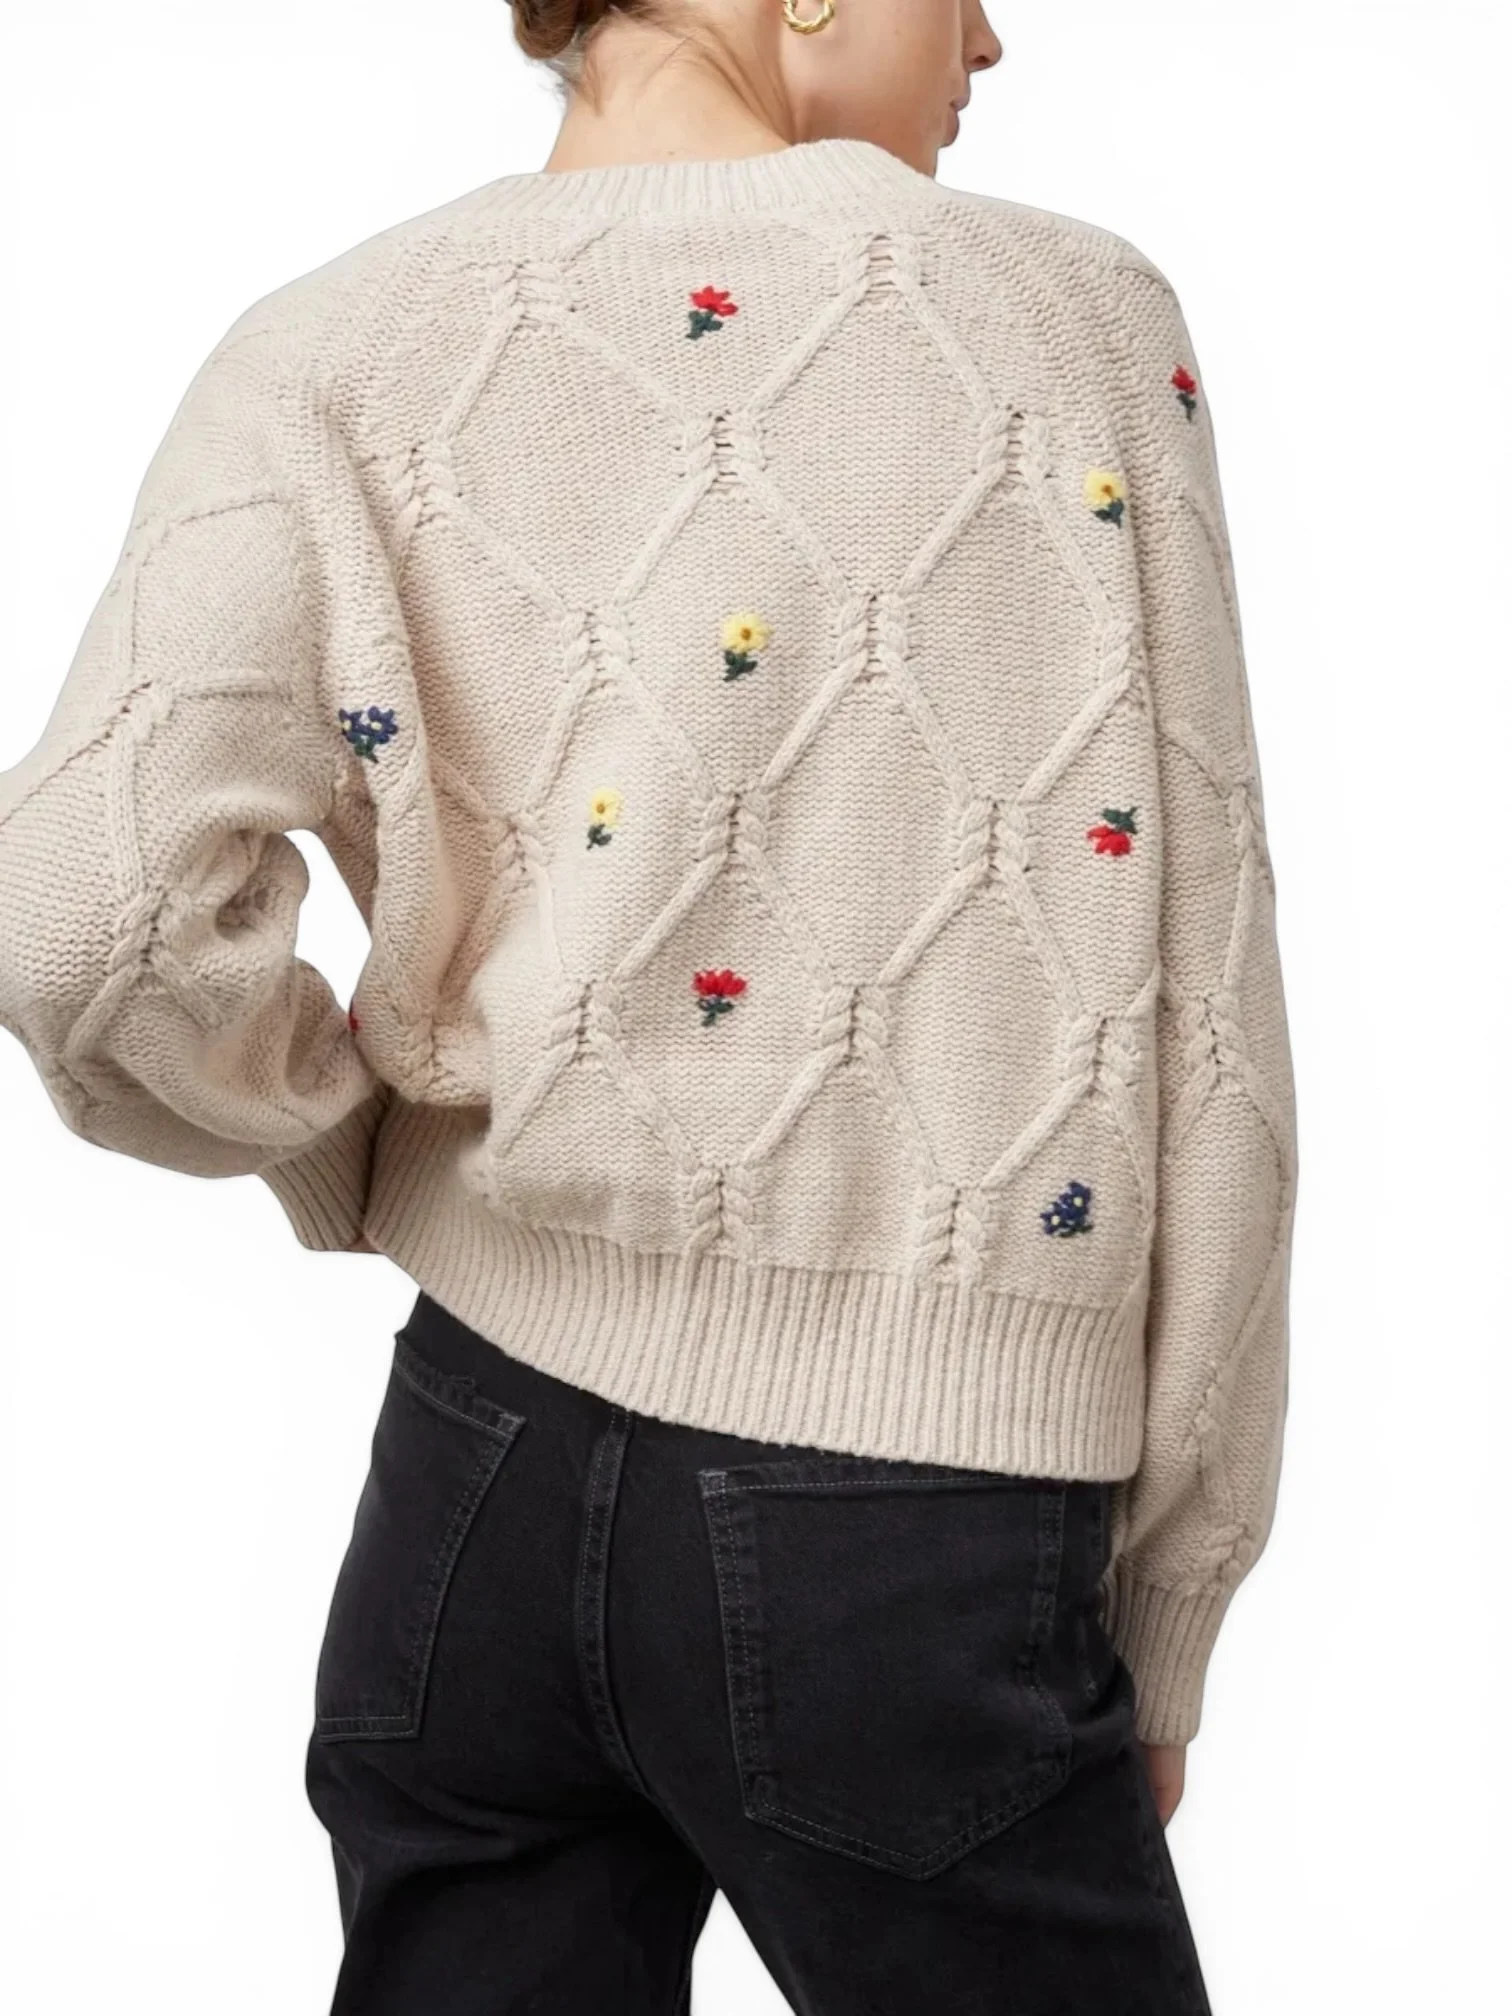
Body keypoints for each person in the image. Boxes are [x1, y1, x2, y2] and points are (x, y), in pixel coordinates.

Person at [0, 2, 1300, 2009]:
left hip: (472, 1479)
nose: (991, 40)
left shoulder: (333, 347)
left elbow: (76, 915)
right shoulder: (1076, 321)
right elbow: (1208, 1032)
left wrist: (356, 1134)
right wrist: (1176, 1601)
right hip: (911, 1520)